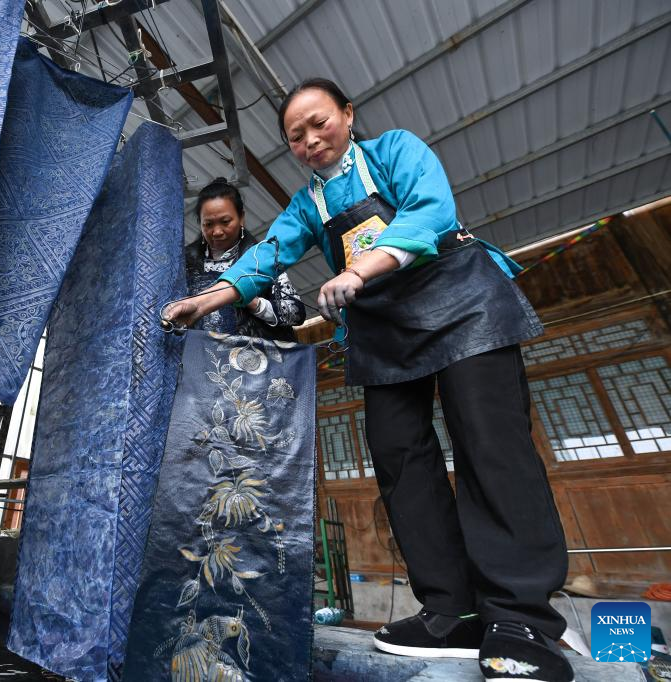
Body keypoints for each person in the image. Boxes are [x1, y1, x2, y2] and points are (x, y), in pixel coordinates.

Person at [162, 78, 572, 682]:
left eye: (319, 122)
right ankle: (451, 610)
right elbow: (268, 254)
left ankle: (521, 618)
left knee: (491, 445)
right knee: (399, 457)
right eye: (295, 136)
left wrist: (361, 270)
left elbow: (432, 209)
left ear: (348, 115)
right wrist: (209, 299)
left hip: (461, 300)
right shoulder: (307, 205)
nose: (309, 140)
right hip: (386, 329)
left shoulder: (394, 151)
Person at [185, 177, 304, 341]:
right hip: (201, 353)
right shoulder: (186, 263)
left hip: (255, 355)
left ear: (241, 218)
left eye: (225, 221)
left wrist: (254, 303)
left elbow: (296, 313)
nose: (217, 231)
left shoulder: (262, 258)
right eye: (208, 224)